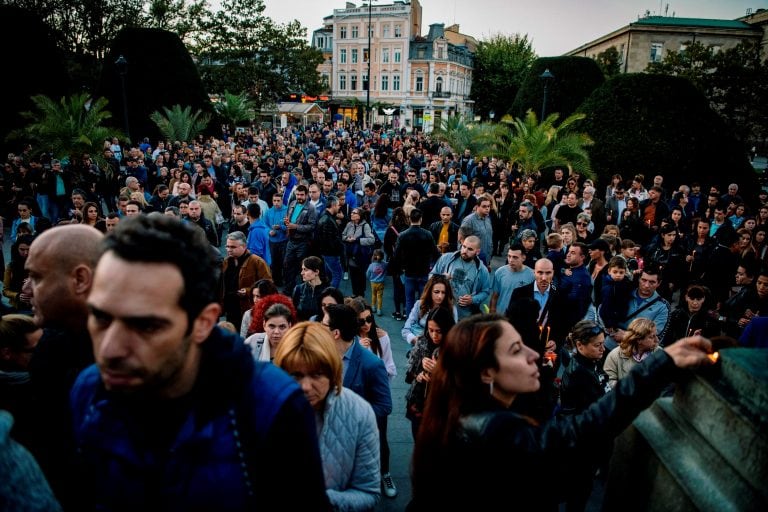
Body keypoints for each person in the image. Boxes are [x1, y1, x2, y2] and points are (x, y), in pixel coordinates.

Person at [71, 215, 330, 510]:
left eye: (146, 326)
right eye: (101, 317)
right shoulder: (90, 390)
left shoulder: (272, 405)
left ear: (204, 322)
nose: (110, 348)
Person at [408, 313, 715, 511]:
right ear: (487, 372)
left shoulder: (463, 415)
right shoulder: (492, 428)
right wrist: (659, 366)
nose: (532, 355)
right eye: (516, 350)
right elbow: (582, 431)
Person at [23, 224, 103, 508]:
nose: (26, 289)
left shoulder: (118, 361)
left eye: (36, 277)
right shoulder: (56, 341)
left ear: (80, 279)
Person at [273, 322, 381, 510]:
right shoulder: (262, 410)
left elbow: (369, 492)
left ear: (332, 372)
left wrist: (325, 501)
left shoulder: (359, 413)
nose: (305, 387)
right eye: (295, 375)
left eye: (316, 374)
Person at [322, 304, 394, 498]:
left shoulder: (372, 364)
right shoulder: (323, 356)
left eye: (324, 325)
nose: (320, 328)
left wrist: (351, 418)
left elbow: (385, 406)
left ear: (335, 333)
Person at [404, 307, 456, 439]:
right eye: (431, 330)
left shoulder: (456, 347)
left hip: (444, 408)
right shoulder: (422, 342)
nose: (434, 335)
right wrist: (419, 374)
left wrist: (440, 371)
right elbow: (409, 374)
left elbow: (461, 382)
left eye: (438, 331)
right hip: (420, 402)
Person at [392, 208, 441, 317]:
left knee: (409, 300)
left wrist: (401, 268)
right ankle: (422, 320)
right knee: (423, 300)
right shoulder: (427, 234)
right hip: (424, 271)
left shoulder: (403, 235)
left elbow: (396, 255)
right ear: (421, 219)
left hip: (408, 272)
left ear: (409, 219)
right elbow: (435, 253)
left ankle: (410, 321)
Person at [430, 235, 491, 319]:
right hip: (442, 310)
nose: (465, 251)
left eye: (470, 249)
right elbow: (431, 276)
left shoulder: (482, 270)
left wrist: (473, 299)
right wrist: (441, 278)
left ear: (477, 252)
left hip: (464, 316)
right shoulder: (446, 258)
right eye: (464, 246)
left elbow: (485, 291)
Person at [221, 231, 271, 328]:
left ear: (244, 246)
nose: (229, 250)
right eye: (227, 246)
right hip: (230, 309)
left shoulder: (257, 262)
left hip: (248, 308)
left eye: (233, 247)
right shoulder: (226, 262)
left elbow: (268, 285)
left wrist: (248, 291)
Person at [603, 317, 662, 388]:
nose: (657, 340)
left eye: (656, 335)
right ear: (639, 340)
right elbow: (608, 381)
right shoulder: (615, 355)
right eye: (652, 337)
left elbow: (668, 380)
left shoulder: (659, 353)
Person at [402, 275, 458, 346]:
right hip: (418, 347)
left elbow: (453, 335)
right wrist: (415, 340)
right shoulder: (419, 304)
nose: (440, 296)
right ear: (430, 291)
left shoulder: (451, 309)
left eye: (443, 292)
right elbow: (406, 330)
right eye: (436, 292)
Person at [489, 243, 535, 314]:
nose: (511, 260)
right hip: (501, 315)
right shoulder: (500, 272)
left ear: (523, 258)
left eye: (515, 257)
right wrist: (492, 315)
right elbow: (494, 297)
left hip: (520, 318)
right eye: (509, 256)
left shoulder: (532, 275)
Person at [342, 208, 376, 298]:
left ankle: (361, 295)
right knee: (353, 275)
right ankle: (354, 293)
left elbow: (371, 240)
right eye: (352, 212)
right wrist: (347, 239)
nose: (351, 214)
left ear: (359, 216)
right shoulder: (349, 224)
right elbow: (342, 235)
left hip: (360, 255)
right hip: (350, 254)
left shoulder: (365, 226)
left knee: (360, 276)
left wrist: (358, 240)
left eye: (354, 213)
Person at [598, 256, 635, 332]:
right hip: (611, 321)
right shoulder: (608, 287)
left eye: (621, 272)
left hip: (622, 318)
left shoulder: (625, 282)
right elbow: (606, 307)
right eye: (615, 272)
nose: (618, 275)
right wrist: (608, 324)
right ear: (609, 271)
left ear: (625, 272)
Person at [3, 234, 34, 313]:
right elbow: (5, 291)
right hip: (18, 306)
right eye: (22, 249)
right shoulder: (11, 266)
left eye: (28, 249)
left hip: (37, 306)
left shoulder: (40, 265)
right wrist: (17, 296)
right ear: (17, 249)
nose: (26, 253)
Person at [292, 256, 325, 321]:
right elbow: (294, 312)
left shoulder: (327, 291)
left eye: (305, 270)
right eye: (302, 269)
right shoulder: (298, 289)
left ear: (316, 272)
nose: (302, 273)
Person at [366, 249, 388, 315]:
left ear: (373, 256)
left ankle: (373, 307)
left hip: (373, 283)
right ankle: (379, 310)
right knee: (379, 297)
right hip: (381, 283)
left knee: (373, 295)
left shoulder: (371, 265)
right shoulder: (384, 264)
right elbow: (388, 265)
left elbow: (367, 274)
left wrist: (370, 278)